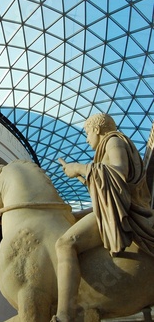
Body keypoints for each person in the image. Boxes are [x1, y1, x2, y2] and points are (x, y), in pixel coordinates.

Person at [52, 113, 154, 322]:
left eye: (87, 132)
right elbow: (106, 198)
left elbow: (118, 172)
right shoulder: (108, 147)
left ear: (97, 129)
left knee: (65, 244)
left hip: (128, 212)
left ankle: (64, 315)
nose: (87, 138)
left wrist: (79, 167)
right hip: (114, 209)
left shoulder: (113, 141)